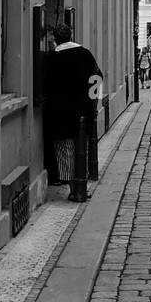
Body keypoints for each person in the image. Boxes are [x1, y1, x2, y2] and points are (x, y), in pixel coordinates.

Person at [43, 24, 102, 201]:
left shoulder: (52, 58)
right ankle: (81, 186)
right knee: (80, 149)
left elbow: (45, 86)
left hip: (60, 112)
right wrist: (93, 102)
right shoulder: (85, 54)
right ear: (71, 35)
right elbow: (97, 78)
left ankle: (73, 189)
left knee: (65, 150)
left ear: (55, 38)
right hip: (83, 111)